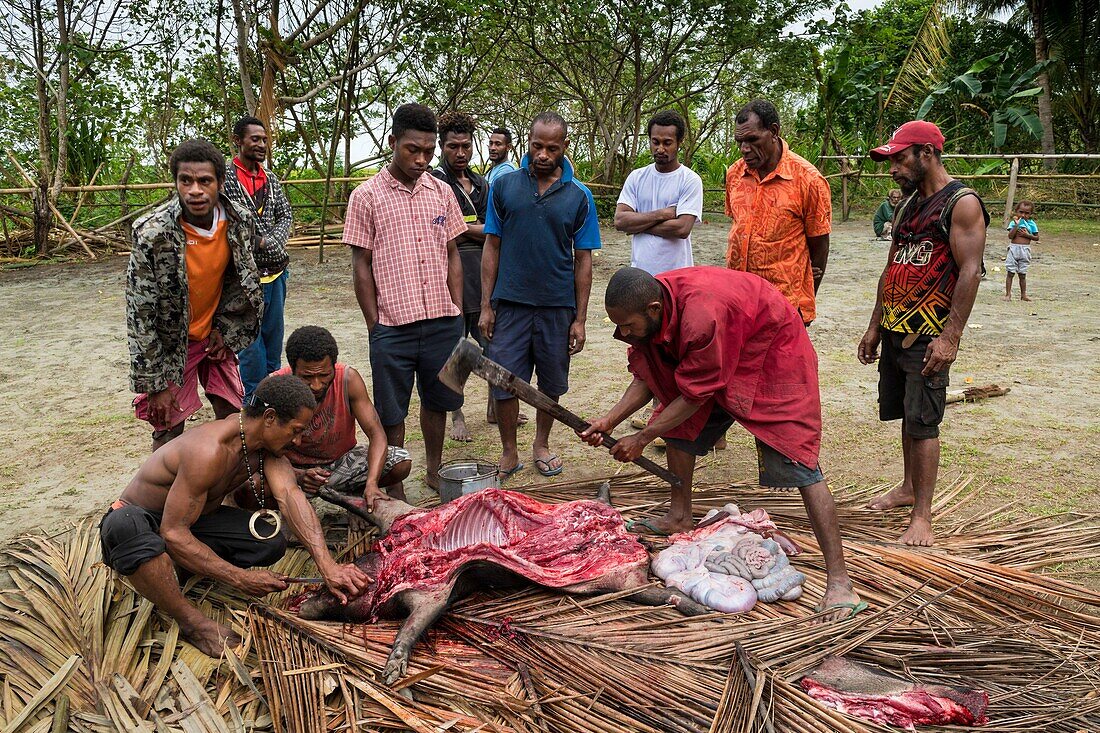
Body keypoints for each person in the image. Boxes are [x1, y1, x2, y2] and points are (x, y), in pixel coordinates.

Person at [579, 266, 862, 622]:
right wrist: (609, 421)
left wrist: (641, 438)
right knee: (678, 428)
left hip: (771, 351)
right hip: (719, 349)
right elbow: (650, 377)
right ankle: (679, 515)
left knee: (797, 456)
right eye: (618, 327)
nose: (624, 334)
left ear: (653, 309)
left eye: (628, 326)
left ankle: (840, 581)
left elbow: (695, 395)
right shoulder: (654, 313)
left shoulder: (701, 317)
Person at [99, 375, 371, 656]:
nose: (298, 440)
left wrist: (328, 566)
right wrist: (239, 578)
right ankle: (192, 622)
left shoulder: (265, 450)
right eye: (295, 430)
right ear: (269, 417)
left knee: (269, 540)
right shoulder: (209, 450)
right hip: (143, 522)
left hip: (188, 525)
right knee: (125, 524)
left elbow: (291, 497)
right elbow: (173, 532)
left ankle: (171, 567)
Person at [857, 121, 989, 546]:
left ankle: (922, 517)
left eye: (899, 157)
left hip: (929, 334)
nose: (892, 167)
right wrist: (875, 325)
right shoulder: (908, 204)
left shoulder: (962, 203)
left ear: (926, 153)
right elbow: (892, 266)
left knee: (926, 422)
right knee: (908, 416)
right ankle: (907, 487)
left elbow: (970, 271)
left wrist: (950, 338)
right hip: (897, 330)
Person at [344, 103, 466, 493]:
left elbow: (452, 254)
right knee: (391, 409)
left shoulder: (442, 192)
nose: (422, 159)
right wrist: (373, 323)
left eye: (429, 151)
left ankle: (434, 468)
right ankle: (394, 480)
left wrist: (458, 312)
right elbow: (361, 264)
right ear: (392, 141)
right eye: (413, 149)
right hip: (392, 325)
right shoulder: (366, 196)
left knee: (439, 400)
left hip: (443, 320)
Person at [481, 111, 601, 480]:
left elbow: (583, 260)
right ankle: (508, 451)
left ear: (565, 146)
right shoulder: (504, 187)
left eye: (552, 147)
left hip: (556, 307)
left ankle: (541, 444)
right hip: (510, 304)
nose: (544, 155)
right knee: (502, 379)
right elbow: (491, 246)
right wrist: (486, 304)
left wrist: (579, 318)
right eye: (537, 146)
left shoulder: (580, 196)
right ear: (527, 143)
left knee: (551, 382)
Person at [128, 139, 263, 452]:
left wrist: (225, 330)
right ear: (175, 181)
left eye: (205, 181)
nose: (195, 190)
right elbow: (140, 314)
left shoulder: (238, 222)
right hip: (171, 344)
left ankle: (231, 491)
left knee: (233, 419)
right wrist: (155, 383)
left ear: (220, 182)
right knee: (167, 426)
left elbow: (242, 284)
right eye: (185, 180)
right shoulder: (152, 233)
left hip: (212, 336)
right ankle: (162, 497)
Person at [614, 109, 704, 431]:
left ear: (679, 142)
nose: (660, 148)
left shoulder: (689, 180)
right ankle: (659, 418)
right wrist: (662, 214)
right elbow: (621, 220)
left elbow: (682, 229)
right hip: (642, 282)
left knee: (677, 351)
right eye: (655, 141)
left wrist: (641, 222)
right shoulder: (637, 178)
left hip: (678, 283)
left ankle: (678, 422)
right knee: (649, 353)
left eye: (667, 142)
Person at [274, 326, 412, 506]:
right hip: (294, 469)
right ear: (293, 370)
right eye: (307, 377)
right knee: (250, 487)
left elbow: (376, 434)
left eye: (324, 375)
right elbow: (263, 450)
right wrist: (298, 475)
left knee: (400, 461)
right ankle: (299, 500)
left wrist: (371, 483)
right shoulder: (275, 386)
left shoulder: (348, 379)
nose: (316, 385)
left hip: (341, 464)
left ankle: (353, 492)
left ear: (334, 366)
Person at [724, 99, 831, 326]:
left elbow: (819, 247)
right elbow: (741, 228)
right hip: (739, 299)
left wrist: (804, 303)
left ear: (773, 132)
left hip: (784, 305)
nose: (744, 149)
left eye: (752, 140)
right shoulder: (734, 174)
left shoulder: (808, 180)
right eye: (740, 141)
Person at [431, 111, 492, 443]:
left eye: (466, 146)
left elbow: (494, 232)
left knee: (491, 344)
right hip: (449, 276)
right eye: (453, 146)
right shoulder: (434, 183)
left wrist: (460, 228)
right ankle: (457, 415)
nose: (460, 153)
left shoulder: (481, 184)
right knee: (454, 347)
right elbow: (438, 234)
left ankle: (496, 406)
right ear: (442, 146)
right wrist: (471, 230)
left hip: (482, 276)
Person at [225, 116, 294, 400]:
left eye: (265, 140)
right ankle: (253, 403)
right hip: (242, 279)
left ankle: (273, 399)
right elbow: (228, 225)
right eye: (255, 139)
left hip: (276, 274)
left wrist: (266, 242)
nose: (262, 145)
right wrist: (254, 242)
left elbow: (285, 216)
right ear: (238, 141)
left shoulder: (271, 179)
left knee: (273, 340)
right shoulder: (226, 179)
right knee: (249, 346)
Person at [1005, 200, 1038, 301]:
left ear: (1031, 214)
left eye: (1027, 213)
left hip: (1025, 250)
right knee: (1010, 272)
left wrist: (1026, 235)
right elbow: (1010, 236)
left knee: (1022, 274)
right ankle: (1008, 294)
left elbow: (1036, 238)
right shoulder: (1013, 223)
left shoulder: (1031, 224)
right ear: (1016, 212)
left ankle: (1023, 294)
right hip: (1014, 249)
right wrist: (1016, 225)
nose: (1023, 215)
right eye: (1021, 212)